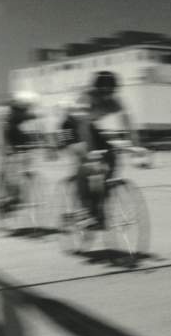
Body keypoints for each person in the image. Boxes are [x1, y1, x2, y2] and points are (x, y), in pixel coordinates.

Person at [60, 70, 144, 229]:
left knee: (111, 158)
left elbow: (127, 121)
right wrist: (90, 154)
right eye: (102, 90)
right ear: (96, 88)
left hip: (90, 127)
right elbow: (82, 128)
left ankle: (98, 206)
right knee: (87, 163)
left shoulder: (114, 101)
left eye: (110, 90)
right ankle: (85, 210)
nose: (106, 93)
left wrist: (136, 145)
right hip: (69, 128)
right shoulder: (86, 98)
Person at [0, 90, 52, 215]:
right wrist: (6, 150)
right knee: (5, 164)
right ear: (22, 103)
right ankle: (2, 198)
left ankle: (16, 193)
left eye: (31, 107)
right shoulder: (5, 110)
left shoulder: (21, 112)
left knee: (22, 156)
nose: (30, 109)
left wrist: (44, 144)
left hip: (10, 130)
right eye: (28, 107)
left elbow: (31, 129)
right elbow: (1, 133)